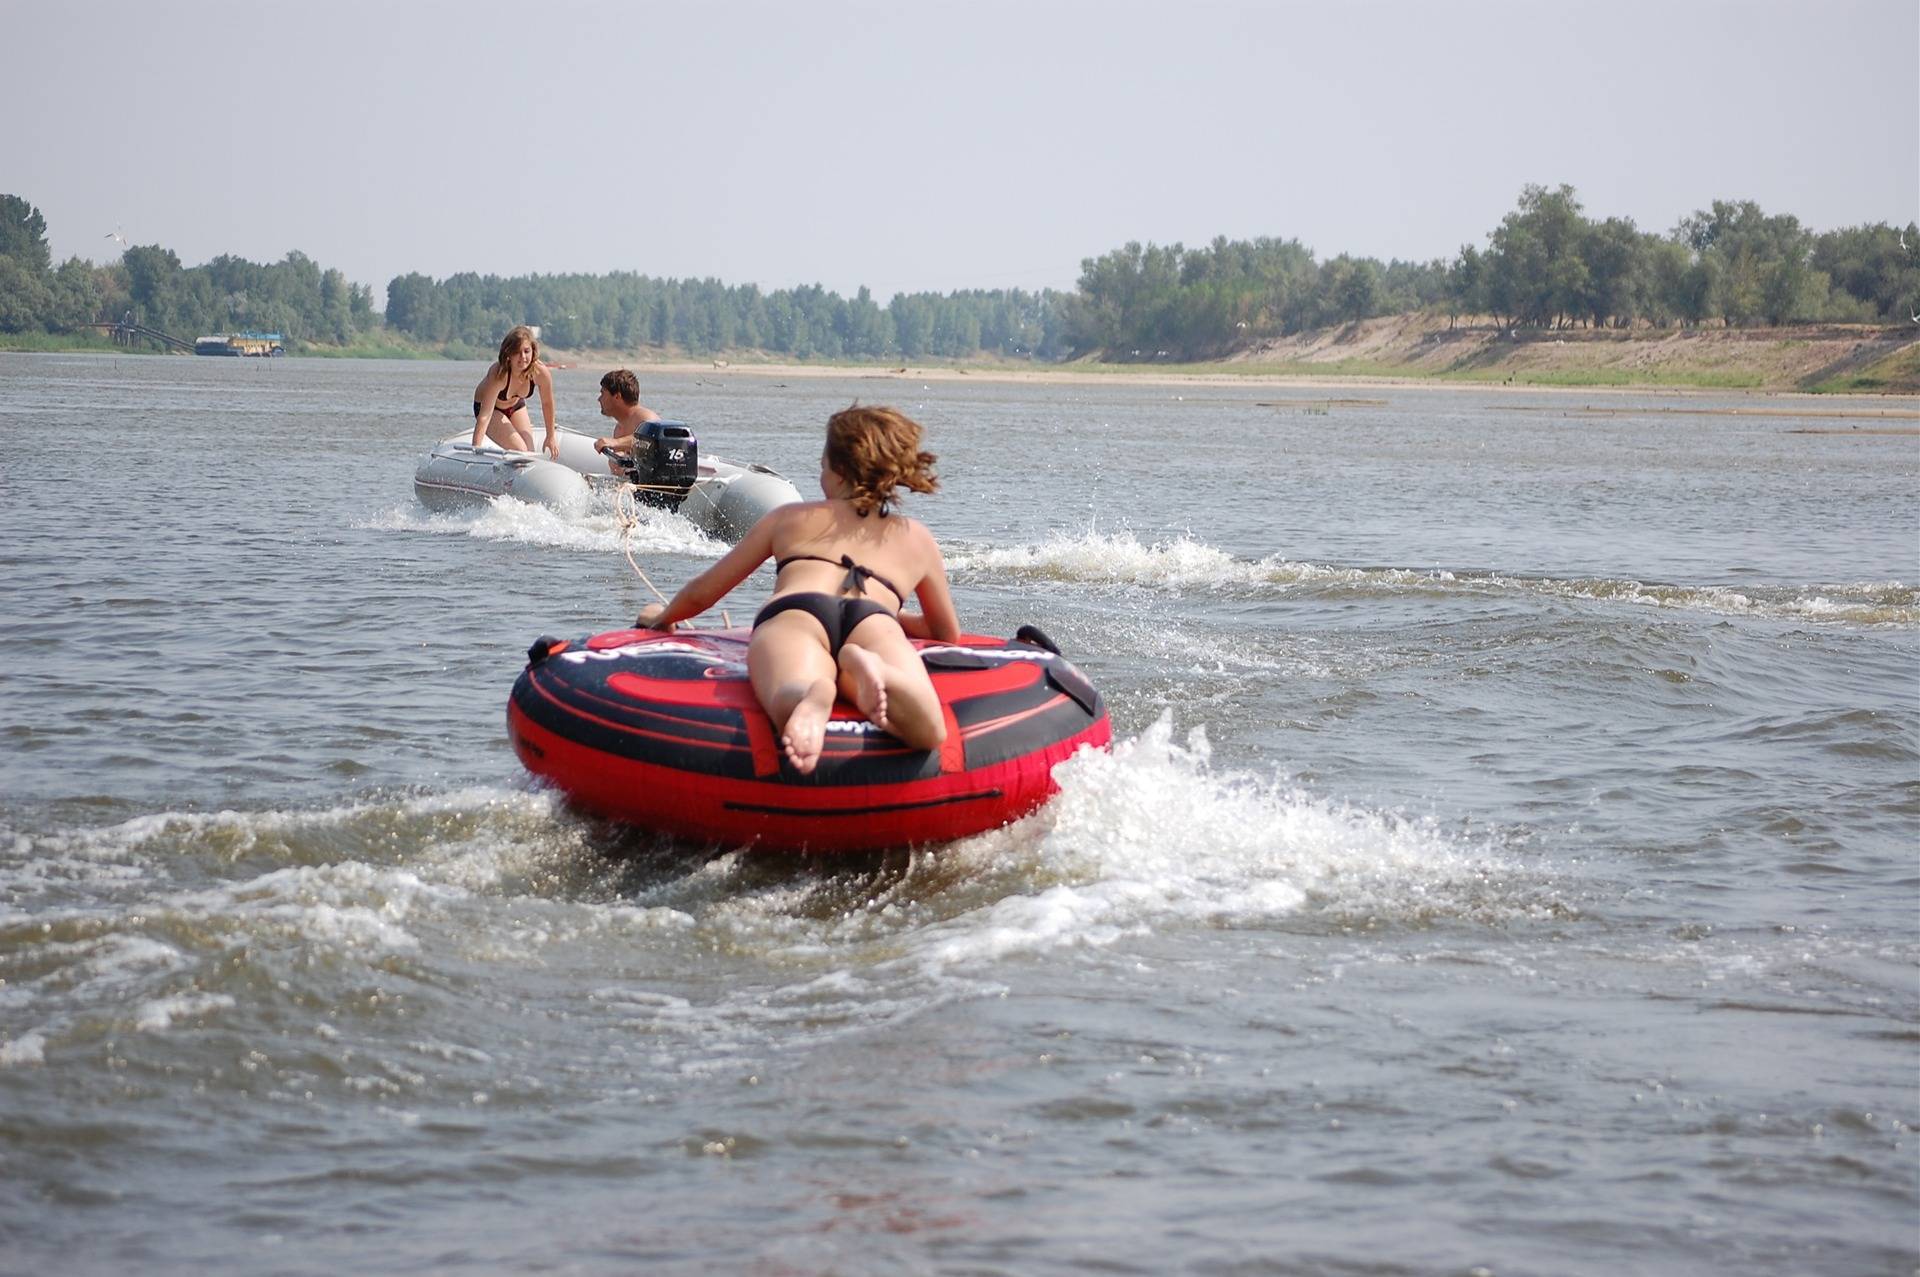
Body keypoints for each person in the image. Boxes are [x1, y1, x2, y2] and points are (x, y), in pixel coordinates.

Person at [637, 404, 960, 775]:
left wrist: (663, 617)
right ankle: (868, 669)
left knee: (784, 693)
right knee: (929, 729)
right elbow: (944, 632)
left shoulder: (790, 518)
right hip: (873, 621)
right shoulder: (916, 537)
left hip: (796, 613)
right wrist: (891, 617)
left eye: (822, 465)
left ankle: (811, 694)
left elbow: (705, 591)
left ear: (837, 473)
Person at [471, 325, 559, 457]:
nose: (523, 357)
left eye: (526, 351)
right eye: (517, 352)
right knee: (521, 450)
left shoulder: (541, 373)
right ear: (508, 354)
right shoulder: (498, 374)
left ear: (533, 351)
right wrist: (475, 449)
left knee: (529, 451)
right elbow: (485, 415)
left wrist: (550, 437)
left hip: (515, 405)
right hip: (490, 408)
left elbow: (547, 404)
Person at [588, 368, 663, 474]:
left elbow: (652, 441)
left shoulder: (647, 418)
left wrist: (615, 442)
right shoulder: (619, 429)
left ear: (617, 396)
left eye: (603, 393)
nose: (599, 399)